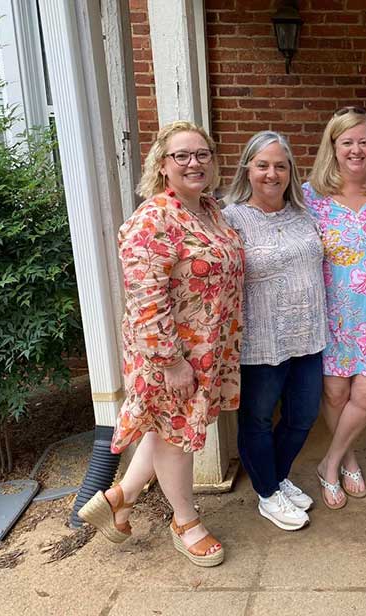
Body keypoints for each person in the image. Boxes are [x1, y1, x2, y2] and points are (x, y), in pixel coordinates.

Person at [78, 121, 244, 567]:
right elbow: (146, 298)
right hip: (170, 352)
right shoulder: (153, 218)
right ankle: (186, 522)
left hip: (206, 348)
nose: (194, 163)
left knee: (165, 428)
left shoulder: (209, 209)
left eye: (202, 154)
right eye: (182, 156)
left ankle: (120, 499)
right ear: (162, 165)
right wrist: (171, 362)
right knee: (176, 436)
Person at [222, 131, 326, 531]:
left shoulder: (304, 213)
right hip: (261, 341)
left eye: (280, 166)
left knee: (302, 416)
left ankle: (276, 477)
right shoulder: (231, 217)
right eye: (263, 165)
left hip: (307, 335)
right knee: (258, 420)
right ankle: (268, 494)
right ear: (248, 168)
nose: (272, 173)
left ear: (290, 171)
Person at [302, 107, 366, 509]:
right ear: (333, 147)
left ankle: (329, 462)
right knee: (336, 392)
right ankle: (349, 458)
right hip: (332, 315)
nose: (356, 149)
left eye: (364, 141)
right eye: (347, 142)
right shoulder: (311, 197)